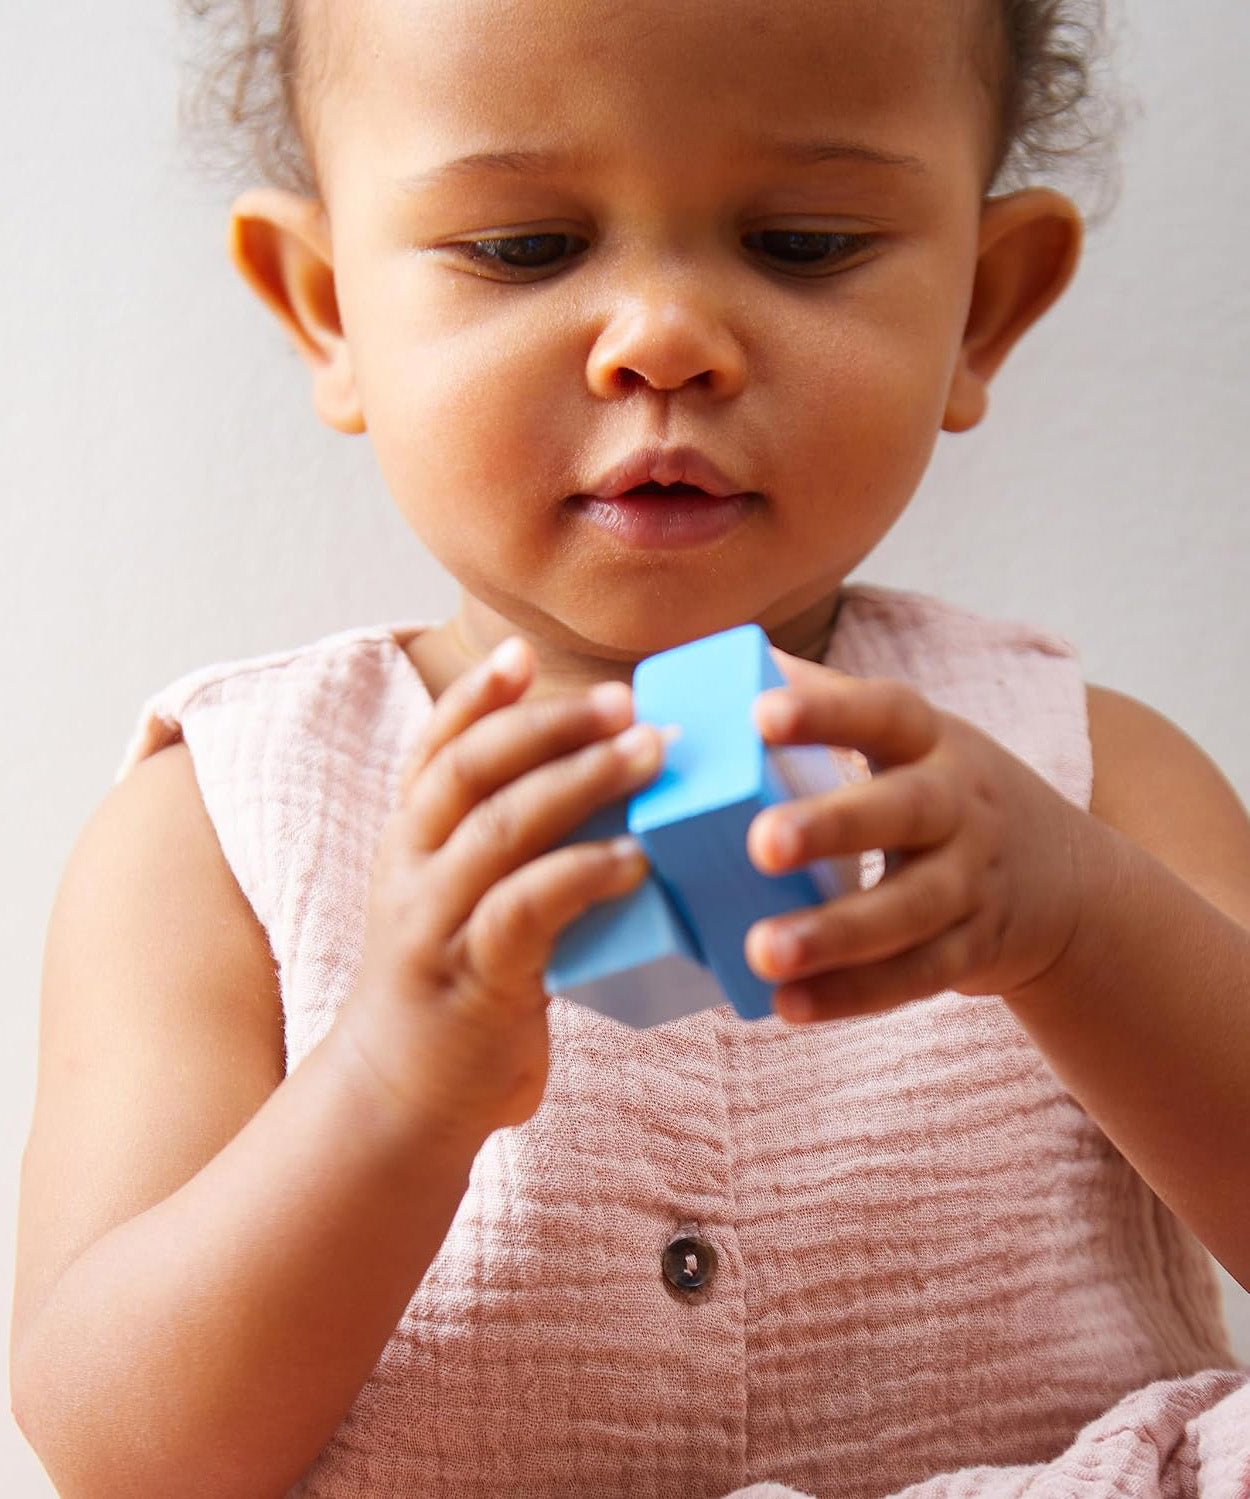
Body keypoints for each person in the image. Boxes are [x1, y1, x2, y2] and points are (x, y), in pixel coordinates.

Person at [11, 0, 1250, 1494]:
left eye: (801, 243)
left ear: (979, 309)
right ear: (330, 307)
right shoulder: (218, 823)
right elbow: (124, 1457)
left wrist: (1078, 929)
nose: (663, 339)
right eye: (525, 247)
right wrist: (394, 1085)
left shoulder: (1087, 778)